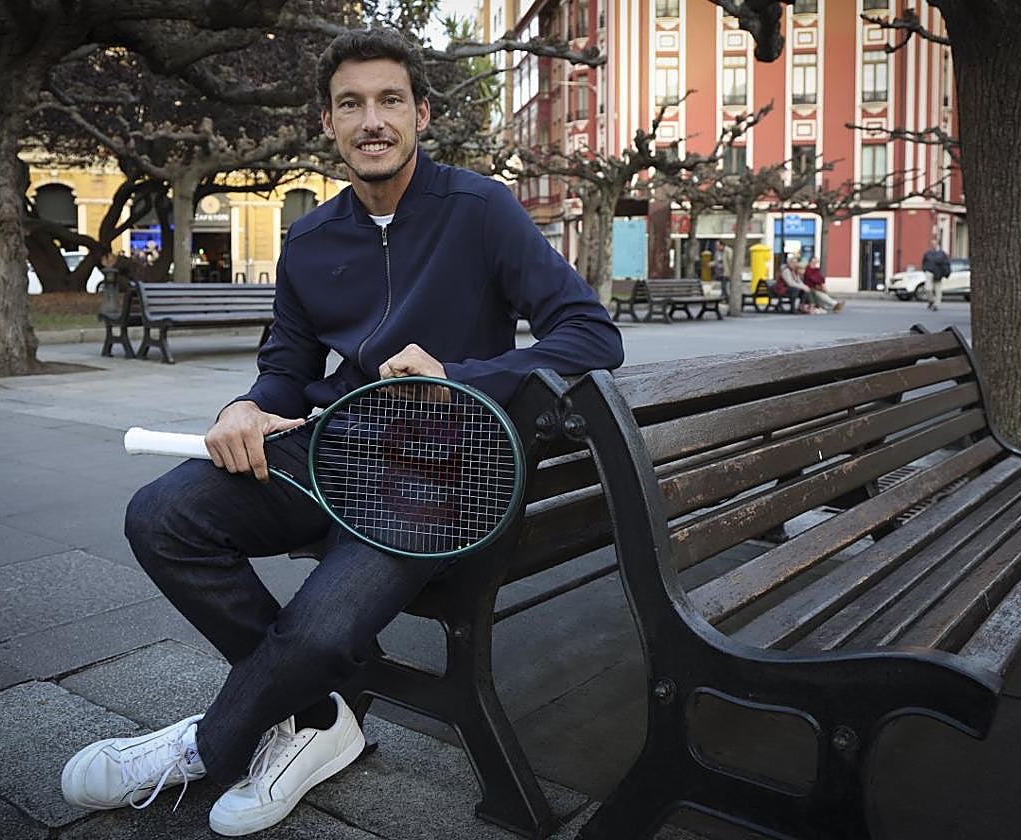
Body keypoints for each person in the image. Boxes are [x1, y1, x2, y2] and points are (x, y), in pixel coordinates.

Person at [59, 27, 623, 838]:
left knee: (324, 626)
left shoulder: (481, 209)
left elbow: (591, 334)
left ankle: (206, 745)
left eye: (390, 100)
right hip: (334, 450)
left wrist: (458, 379)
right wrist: (242, 411)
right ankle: (318, 715)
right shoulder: (311, 237)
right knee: (161, 515)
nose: (372, 120)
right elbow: (284, 365)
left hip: (443, 475)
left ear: (421, 114)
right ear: (328, 123)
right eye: (350, 104)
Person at [921, 244, 951, 312]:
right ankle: (931, 300)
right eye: (932, 243)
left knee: (938, 290)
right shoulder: (928, 253)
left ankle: (936, 305)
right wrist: (925, 269)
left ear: (938, 245)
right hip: (929, 272)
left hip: (939, 274)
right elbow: (923, 262)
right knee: (928, 288)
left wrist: (946, 273)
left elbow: (946, 264)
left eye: (935, 243)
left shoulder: (942, 254)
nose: (934, 245)